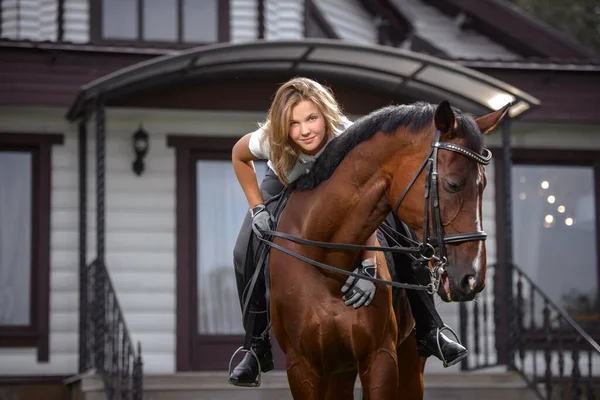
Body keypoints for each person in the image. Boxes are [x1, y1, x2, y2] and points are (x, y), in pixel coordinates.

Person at [228, 77, 466, 387]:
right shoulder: (269, 139)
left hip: (341, 193)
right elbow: (238, 156)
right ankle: (256, 347)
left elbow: (358, 209)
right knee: (243, 249)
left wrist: (368, 263)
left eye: (311, 118)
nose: (305, 130)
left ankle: (430, 329)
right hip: (284, 182)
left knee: (403, 228)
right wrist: (257, 208)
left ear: (324, 115)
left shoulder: (347, 138)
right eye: (294, 124)